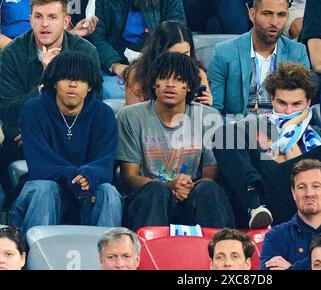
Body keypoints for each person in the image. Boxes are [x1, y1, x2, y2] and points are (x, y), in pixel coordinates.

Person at [213, 62, 321, 230]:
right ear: (272, 100)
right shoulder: (250, 127)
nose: (288, 111)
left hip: (310, 196)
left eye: (296, 104)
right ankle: (254, 207)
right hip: (266, 198)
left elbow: (303, 170)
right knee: (225, 133)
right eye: (282, 103)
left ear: (308, 103)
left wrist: (291, 131)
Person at [116, 52, 235, 231]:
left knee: (208, 189)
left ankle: (216, 253)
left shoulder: (208, 116)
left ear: (188, 86)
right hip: (150, 201)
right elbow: (129, 177)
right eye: (163, 78)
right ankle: (149, 255)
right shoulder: (130, 116)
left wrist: (185, 187)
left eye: (178, 79)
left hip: (192, 196)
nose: (170, 85)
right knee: (157, 191)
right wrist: (169, 186)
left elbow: (210, 173)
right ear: (154, 83)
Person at [0, 0, 101, 208]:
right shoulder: (12, 54)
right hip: (24, 147)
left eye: (52, 17)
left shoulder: (86, 52)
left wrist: (38, 129)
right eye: (38, 17)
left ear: (66, 21)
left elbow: (93, 112)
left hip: (72, 146)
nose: (44, 24)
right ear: (30, 20)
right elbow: (9, 113)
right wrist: (45, 81)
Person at [9, 51, 122, 235]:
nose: (73, 84)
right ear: (54, 82)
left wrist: (90, 174)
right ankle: (37, 259)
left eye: (80, 80)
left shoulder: (103, 115)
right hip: (40, 195)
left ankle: (107, 259)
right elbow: (40, 165)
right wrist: (78, 175)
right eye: (66, 78)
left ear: (90, 86)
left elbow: (105, 163)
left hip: (87, 195)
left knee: (108, 192)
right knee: (46, 188)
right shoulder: (33, 110)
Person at [208, 0, 310, 117]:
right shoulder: (223, 52)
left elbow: (301, 107)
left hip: (283, 129)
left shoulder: (297, 52)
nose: (274, 22)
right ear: (252, 14)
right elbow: (214, 112)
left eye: (281, 15)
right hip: (237, 129)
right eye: (267, 14)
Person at [88, 0, 186, 99]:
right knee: (110, 93)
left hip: (158, 63)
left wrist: (158, 68)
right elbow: (96, 38)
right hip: (115, 64)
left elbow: (176, 36)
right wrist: (115, 65)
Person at [124, 20, 212, 107]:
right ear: (159, 52)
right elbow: (131, 116)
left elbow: (205, 116)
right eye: (174, 55)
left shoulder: (198, 74)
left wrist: (206, 107)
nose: (180, 61)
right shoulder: (138, 73)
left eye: (185, 55)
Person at [0, 0, 98, 50]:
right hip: (13, 51)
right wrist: (24, 50)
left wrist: (72, 34)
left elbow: (60, 33)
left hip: (51, 51)